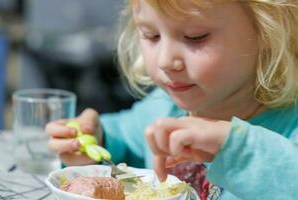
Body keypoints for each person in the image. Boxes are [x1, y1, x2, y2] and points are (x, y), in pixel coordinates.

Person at [46, 0, 298, 199]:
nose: (166, 61)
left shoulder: (290, 128)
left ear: (270, 29)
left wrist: (235, 149)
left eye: (195, 36)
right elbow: (124, 138)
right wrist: (95, 141)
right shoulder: (164, 107)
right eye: (151, 35)